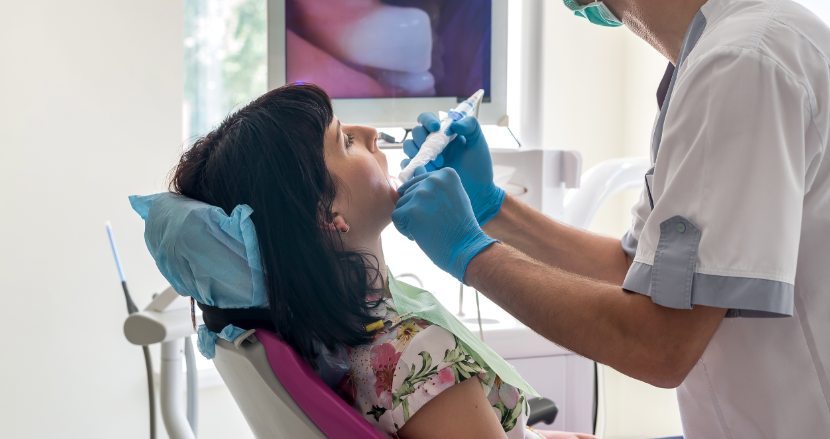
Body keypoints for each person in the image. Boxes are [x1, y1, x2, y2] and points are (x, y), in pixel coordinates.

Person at [392, 0, 830, 438]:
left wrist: (468, 255)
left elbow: (660, 346)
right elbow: (636, 270)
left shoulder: (745, 67)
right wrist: (491, 211)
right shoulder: (722, 53)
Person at [156, 83, 591, 439]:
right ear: (326, 215)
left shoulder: (328, 347)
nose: (371, 133)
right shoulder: (415, 358)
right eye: (345, 140)